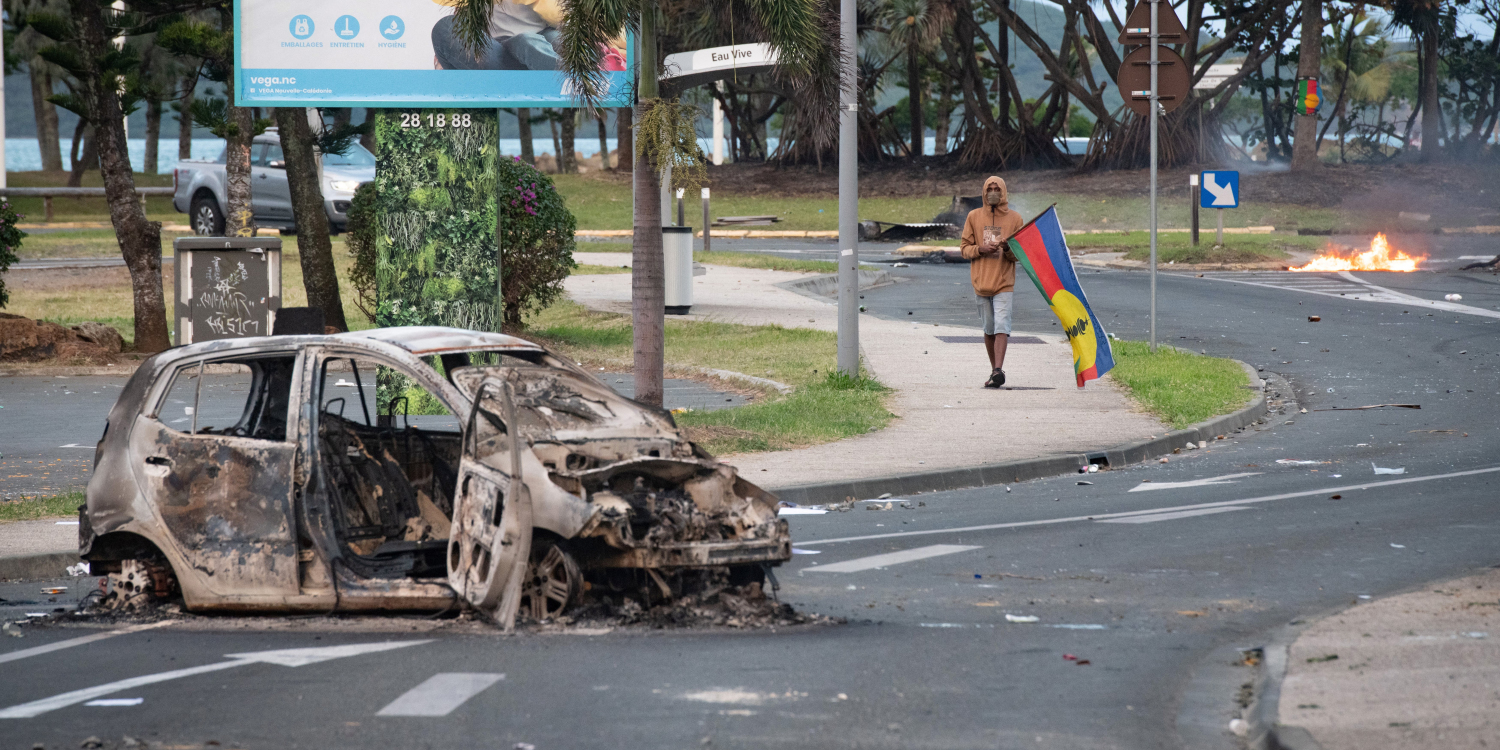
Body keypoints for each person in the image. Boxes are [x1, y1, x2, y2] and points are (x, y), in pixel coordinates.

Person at [959, 176, 1024, 388]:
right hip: (981, 283)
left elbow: (1020, 255)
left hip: (1004, 283)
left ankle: (998, 369)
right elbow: (964, 249)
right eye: (990, 189)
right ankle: (994, 371)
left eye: (997, 189)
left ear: (1004, 192)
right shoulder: (973, 216)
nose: (993, 192)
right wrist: (980, 249)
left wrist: (1007, 248)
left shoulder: (1015, 219)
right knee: (988, 329)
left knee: (1002, 326)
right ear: (984, 192)